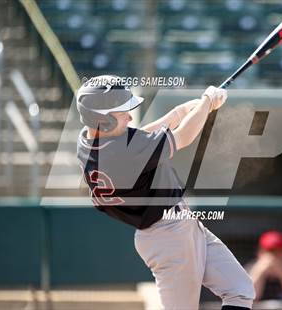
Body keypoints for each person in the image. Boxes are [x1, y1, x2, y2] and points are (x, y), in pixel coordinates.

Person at [76, 75, 255, 310]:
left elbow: (149, 133)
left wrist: (197, 107)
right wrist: (205, 102)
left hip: (175, 226)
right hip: (167, 235)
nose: (130, 117)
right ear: (104, 119)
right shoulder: (121, 153)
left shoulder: (88, 143)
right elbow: (183, 136)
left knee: (239, 290)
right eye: (122, 113)